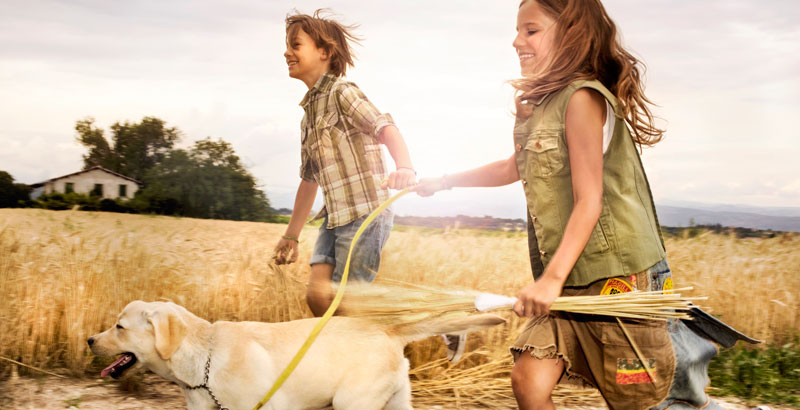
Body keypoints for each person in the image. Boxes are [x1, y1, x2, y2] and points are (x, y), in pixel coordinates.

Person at [415, 0, 727, 408]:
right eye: (517, 31)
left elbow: (590, 200)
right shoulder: (535, 105)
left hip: (617, 280)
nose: (515, 41)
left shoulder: (582, 99)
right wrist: (441, 182)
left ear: (570, 34)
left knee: (639, 400)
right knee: (528, 381)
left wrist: (550, 281)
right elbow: (514, 165)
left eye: (530, 31)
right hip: (568, 279)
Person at [274, 10, 416, 317]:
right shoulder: (308, 115)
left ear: (324, 52)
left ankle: (413, 319)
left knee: (346, 310)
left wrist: (404, 166)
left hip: (366, 215)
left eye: (295, 45)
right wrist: (291, 235)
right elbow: (309, 180)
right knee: (316, 298)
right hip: (334, 218)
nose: (286, 52)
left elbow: (385, 128)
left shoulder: (343, 92)